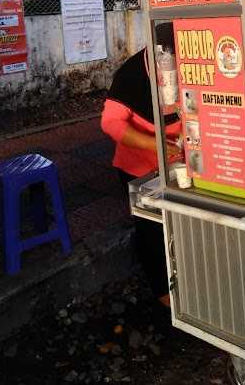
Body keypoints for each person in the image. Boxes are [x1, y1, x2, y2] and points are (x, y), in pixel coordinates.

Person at [101, 23, 182, 307]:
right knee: (151, 229)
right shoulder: (131, 74)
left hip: (180, 164)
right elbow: (110, 123)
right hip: (139, 167)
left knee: (180, 222)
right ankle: (162, 293)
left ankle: (184, 275)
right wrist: (156, 144)